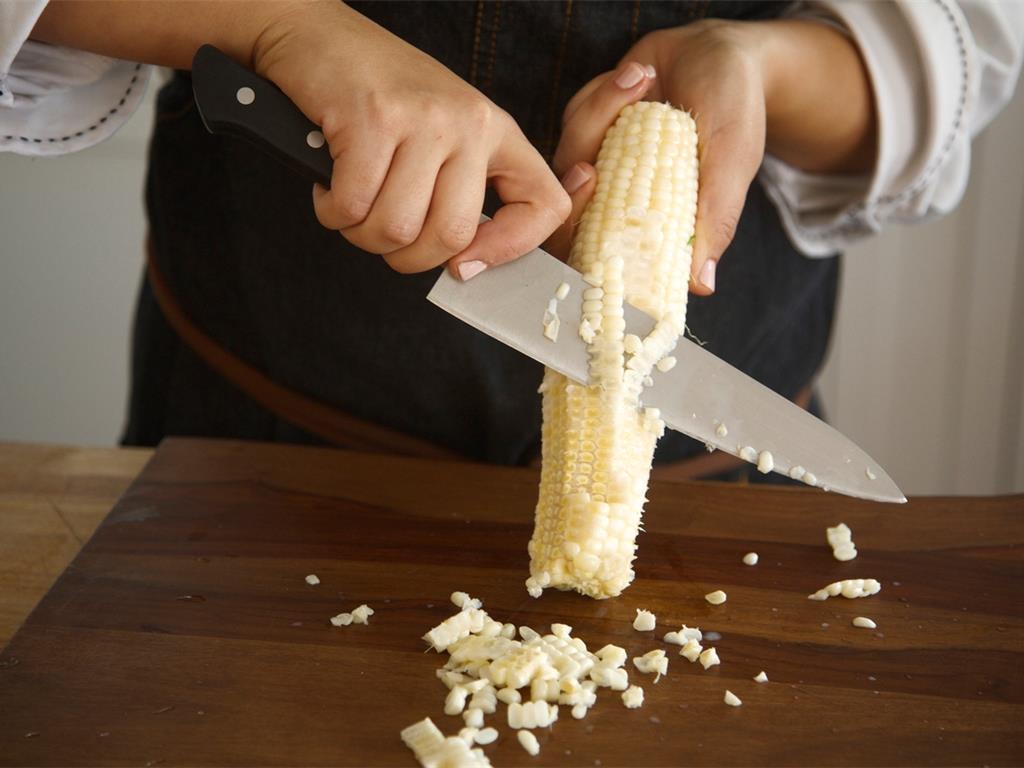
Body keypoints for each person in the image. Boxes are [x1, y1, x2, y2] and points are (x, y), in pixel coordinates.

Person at [2, 1, 1022, 480]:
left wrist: (758, 64)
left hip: (714, 481)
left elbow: (954, 38)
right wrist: (276, 25)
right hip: (255, 443)